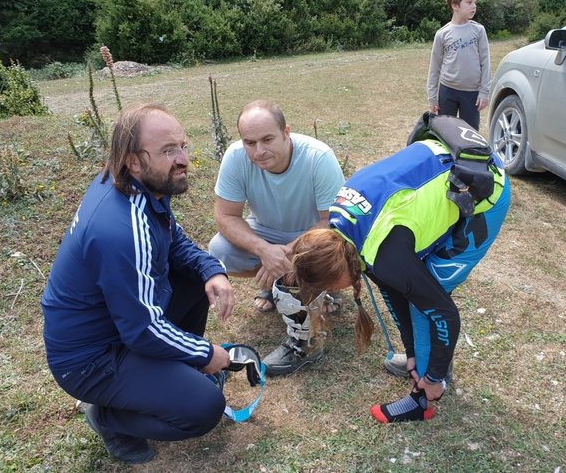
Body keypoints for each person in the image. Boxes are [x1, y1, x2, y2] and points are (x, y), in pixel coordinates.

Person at [41, 103, 236, 464]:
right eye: (167, 151)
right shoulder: (120, 231)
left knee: (195, 279)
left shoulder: (139, 186)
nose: (182, 159)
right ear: (133, 160)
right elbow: (142, 331)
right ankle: (108, 417)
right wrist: (205, 353)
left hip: (118, 326)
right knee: (204, 407)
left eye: (182, 145)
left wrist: (211, 269)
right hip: (89, 360)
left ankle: (168, 378)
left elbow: (173, 239)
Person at [285, 121, 510, 423]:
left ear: (339, 275)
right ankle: (427, 362)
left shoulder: (385, 256)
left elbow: (445, 313)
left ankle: (426, 395)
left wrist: (433, 375)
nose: (333, 292)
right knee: (416, 293)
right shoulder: (341, 230)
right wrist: (412, 352)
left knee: (427, 306)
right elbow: (393, 292)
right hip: (442, 168)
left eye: (329, 288)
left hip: (484, 190)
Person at [208, 100, 344, 375]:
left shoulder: (318, 157)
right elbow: (225, 217)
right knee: (219, 249)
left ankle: (322, 289)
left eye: (267, 139)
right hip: (266, 231)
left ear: (286, 132)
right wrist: (264, 250)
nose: (259, 151)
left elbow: (331, 221)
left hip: (313, 234)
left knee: (335, 247)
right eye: (250, 142)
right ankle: (278, 284)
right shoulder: (235, 157)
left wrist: (286, 251)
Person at [427, 0, 491, 130]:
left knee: (470, 134)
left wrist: (484, 92)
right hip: (447, 91)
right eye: (469, 2)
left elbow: (486, 63)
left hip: (471, 93)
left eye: (474, 2)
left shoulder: (479, 30)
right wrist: (432, 97)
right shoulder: (442, 34)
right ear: (455, 5)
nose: (474, 6)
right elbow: (434, 67)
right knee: (445, 133)